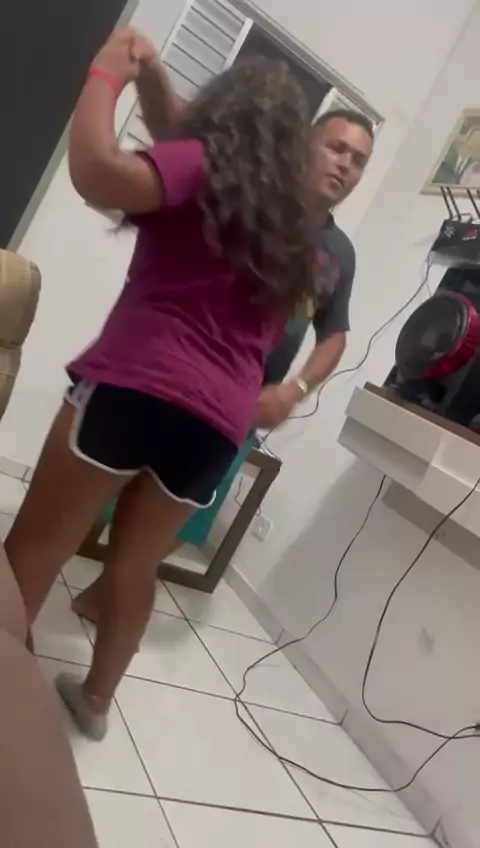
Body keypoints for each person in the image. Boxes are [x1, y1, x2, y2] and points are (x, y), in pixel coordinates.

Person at [5, 28, 324, 740]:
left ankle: (7, 716)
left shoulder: (201, 163)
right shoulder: (294, 232)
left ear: (222, 113)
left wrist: (105, 73)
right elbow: (175, 132)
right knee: (135, 566)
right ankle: (95, 701)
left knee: (34, 549)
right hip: (217, 425)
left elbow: (94, 170)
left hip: (138, 384)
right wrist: (152, 78)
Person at [72, 98, 375, 623]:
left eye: (359, 159)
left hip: (240, 407)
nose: (345, 164)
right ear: (306, 145)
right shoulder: (254, 200)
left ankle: (107, 593)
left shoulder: (340, 254)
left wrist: (295, 390)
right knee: (102, 484)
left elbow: (335, 336)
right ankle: (66, 564)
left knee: (181, 518)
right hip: (169, 374)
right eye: (337, 148)